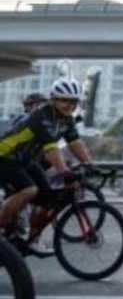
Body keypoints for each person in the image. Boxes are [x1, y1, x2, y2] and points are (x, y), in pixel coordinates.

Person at [0, 79, 96, 242]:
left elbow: (76, 144)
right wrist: (64, 172)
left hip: (26, 159)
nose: (69, 105)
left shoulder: (67, 120)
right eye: (64, 100)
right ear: (53, 99)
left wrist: (90, 165)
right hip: (5, 155)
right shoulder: (42, 116)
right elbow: (51, 149)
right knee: (30, 190)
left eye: (73, 101)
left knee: (48, 199)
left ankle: (32, 241)